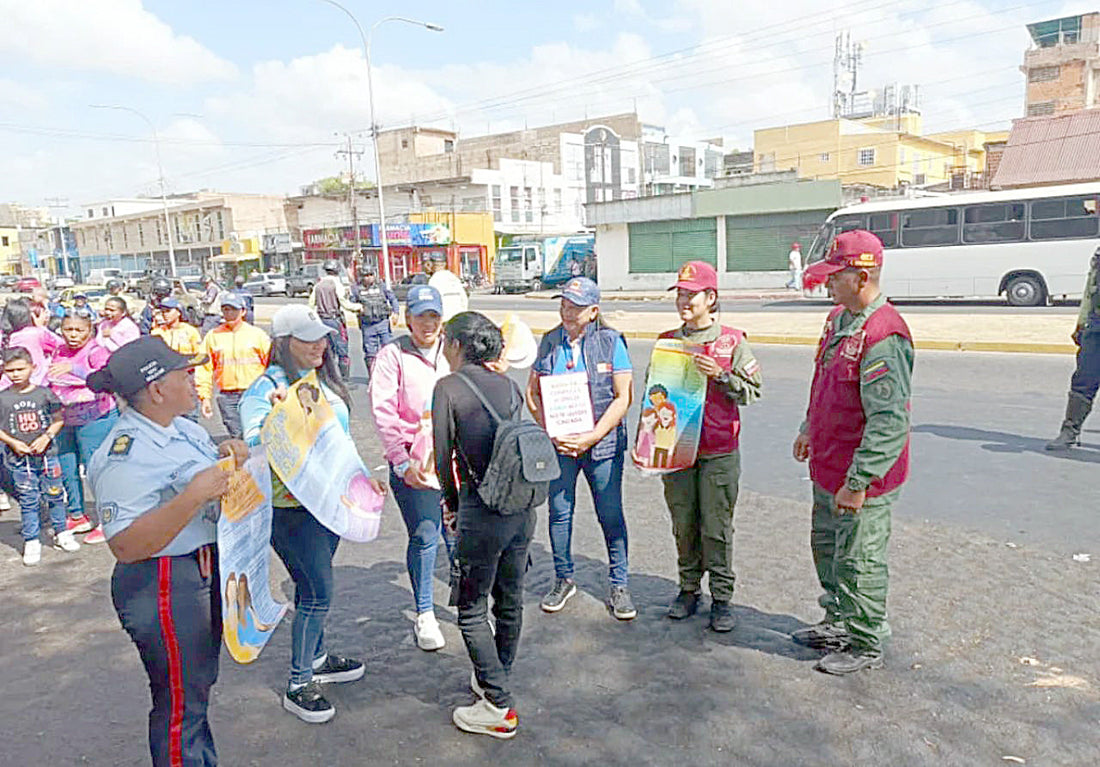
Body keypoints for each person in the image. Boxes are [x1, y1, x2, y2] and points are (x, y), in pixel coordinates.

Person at [87, 336, 247, 767]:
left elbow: (198, 471)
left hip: (199, 571)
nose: (195, 380)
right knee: (179, 700)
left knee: (196, 688)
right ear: (157, 389)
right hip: (162, 580)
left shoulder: (182, 428)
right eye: (185, 374)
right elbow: (125, 545)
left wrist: (226, 455)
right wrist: (193, 496)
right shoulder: (124, 454)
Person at [239, 304, 383, 724]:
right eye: (308, 338)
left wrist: (363, 479)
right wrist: (277, 415)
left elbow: (339, 442)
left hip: (330, 504)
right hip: (290, 510)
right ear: (284, 343)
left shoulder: (321, 381)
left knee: (309, 587)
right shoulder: (266, 389)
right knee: (318, 591)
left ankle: (316, 658)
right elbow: (254, 447)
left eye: (322, 336)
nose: (320, 344)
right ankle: (298, 683)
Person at [792, 229, 913, 675]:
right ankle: (838, 620)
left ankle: (865, 641)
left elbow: (888, 421)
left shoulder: (884, 334)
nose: (827, 282)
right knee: (828, 549)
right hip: (829, 467)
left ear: (862, 277)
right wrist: (809, 427)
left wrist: (859, 481)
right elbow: (824, 382)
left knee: (860, 560)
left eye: (835, 275)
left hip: (861, 478)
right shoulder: (838, 320)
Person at [433, 311, 533, 740]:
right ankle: (496, 676)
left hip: (482, 511)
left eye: (446, 340)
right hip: (522, 510)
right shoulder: (508, 385)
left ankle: (498, 705)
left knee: (471, 609)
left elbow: (443, 459)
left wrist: (452, 506)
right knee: (509, 601)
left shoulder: (447, 388)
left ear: (458, 345)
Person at [659, 261, 762, 633]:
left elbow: (753, 391)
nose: (684, 302)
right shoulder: (668, 341)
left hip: (718, 451)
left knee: (716, 528)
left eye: (692, 295)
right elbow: (656, 398)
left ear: (711, 298)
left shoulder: (732, 341)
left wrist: (721, 376)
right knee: (683, 524)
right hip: (677, 450)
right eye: (680, 294)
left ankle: (721, 597)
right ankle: (688, 589)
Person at [525, 277, 635, 620]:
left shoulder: (611, 341)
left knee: (610, 513)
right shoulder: (549, 341)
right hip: (560, 447)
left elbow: (623, 398)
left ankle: (619, 584)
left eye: (575, 307)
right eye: (564, 305)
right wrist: (551, 431)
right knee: (559, 512)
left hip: (602, 446)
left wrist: (592, 436)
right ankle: (563, 578)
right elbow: (532, 393)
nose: (567, 312)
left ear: (594, 311)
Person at [369, 285, 453, 650]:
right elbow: (384, 412)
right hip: (414, 461)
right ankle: (425, 612)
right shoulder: (392, 355)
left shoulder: (453, 348)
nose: (428, 324)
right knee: (425, 534)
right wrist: (401, 462)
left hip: (453, 459)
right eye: (421, 317)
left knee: (458, 534)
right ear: (407, 319)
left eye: (434, 316)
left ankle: (469, 605)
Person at [0, 347, 78, 565]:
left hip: (48, 455)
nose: (16, 374)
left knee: (55, 494)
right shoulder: (3, 398)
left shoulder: (45, 394)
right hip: (19, 459)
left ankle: (61, 532)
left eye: (20, 369)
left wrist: (46, 437)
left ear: (32, 367)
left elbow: (58, 419)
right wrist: (13, 442)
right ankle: (31, 539)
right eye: (10, 370)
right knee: (28, 500)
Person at [49, 309, 118, 545]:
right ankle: (76, 514)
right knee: (66, 467)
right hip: (63, 418)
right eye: (68, 329)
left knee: (95, 469)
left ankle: (108, 520)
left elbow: (106, 379)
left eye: (79, 330)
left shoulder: (97, 352)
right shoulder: (59, 350)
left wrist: (74, 369)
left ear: (90, 331)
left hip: (95, 417)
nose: (73, 335)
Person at [195, 292, 271, 439]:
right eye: (226, 309)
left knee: (257, 435)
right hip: (228, 397)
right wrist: (204, 397)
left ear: (243, 312)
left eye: (233, 309)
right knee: (237, 437)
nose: (229, 313)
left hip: (253, 393)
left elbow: (271, 365)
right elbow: (203, 368)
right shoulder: (213, 336)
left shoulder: (257, 335)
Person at [1046, 247, 1100, 450]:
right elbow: (1090, 290)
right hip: (1096, 324)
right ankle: (1069, 431)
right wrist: (1082, 321)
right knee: (1084, 378)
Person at [309, 260, 361, 379]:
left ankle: (329, 377)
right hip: (334, 321)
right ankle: (344, 378)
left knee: (327, 350)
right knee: (342, 349)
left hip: (321, 321)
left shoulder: (318, 285)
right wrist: (359, 307)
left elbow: (311, 305)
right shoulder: (337, 284)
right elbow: (345, 304)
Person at [1, 298, 62, 388]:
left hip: (7, 384)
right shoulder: (36, 333)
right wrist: (41, 327)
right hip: (34, 384)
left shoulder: (5, 335)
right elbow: (61, 344)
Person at [351, 267, 398, 377]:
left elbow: (393, 299)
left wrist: (396, 312)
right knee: (370, 353)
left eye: (370, 275)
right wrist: (357, 308)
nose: (368, 278)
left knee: (388, 349)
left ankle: (390, 375)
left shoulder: (381, 286)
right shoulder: (357, 289)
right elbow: (351, 303)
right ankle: (373, 376)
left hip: (382, 323)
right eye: (366, 276)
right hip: (368, 325)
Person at [424, 252, 468, 321]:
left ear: (430, 264)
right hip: (459, 318)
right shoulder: (454, 278)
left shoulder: (434, 280)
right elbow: (464, 299)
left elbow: (431, 303)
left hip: (443, 320)